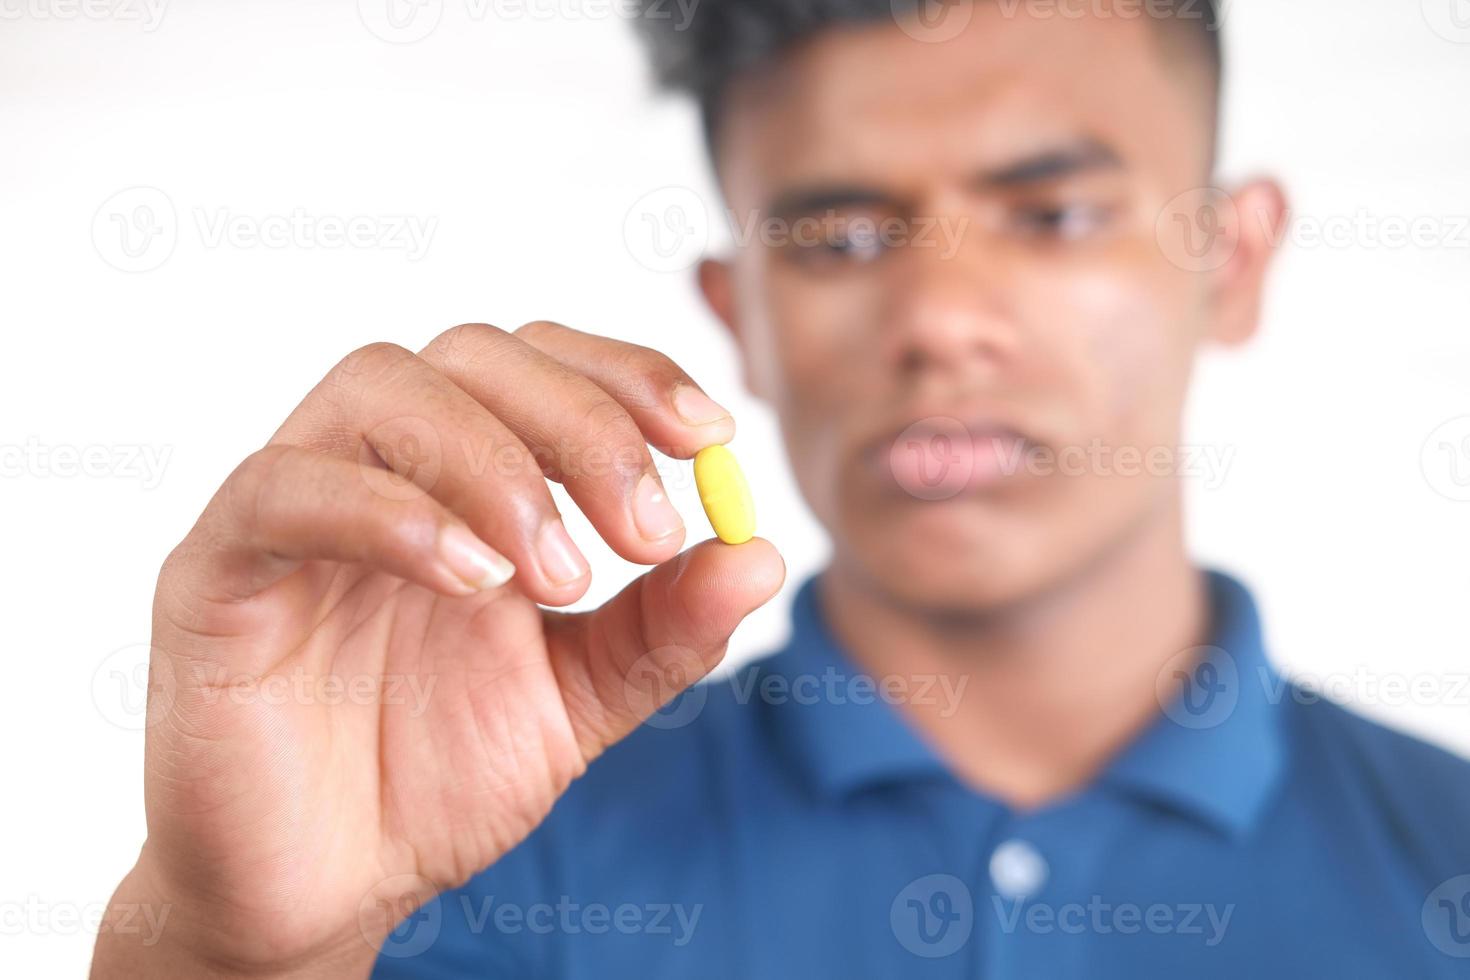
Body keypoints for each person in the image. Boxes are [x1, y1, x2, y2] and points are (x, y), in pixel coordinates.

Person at [94, 1, 1470, 977]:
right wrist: (228, 955)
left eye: (1051, 214)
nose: (936, 319)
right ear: (737, 314)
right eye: (839, 237)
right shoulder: (454, 868)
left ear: (1229, 262)